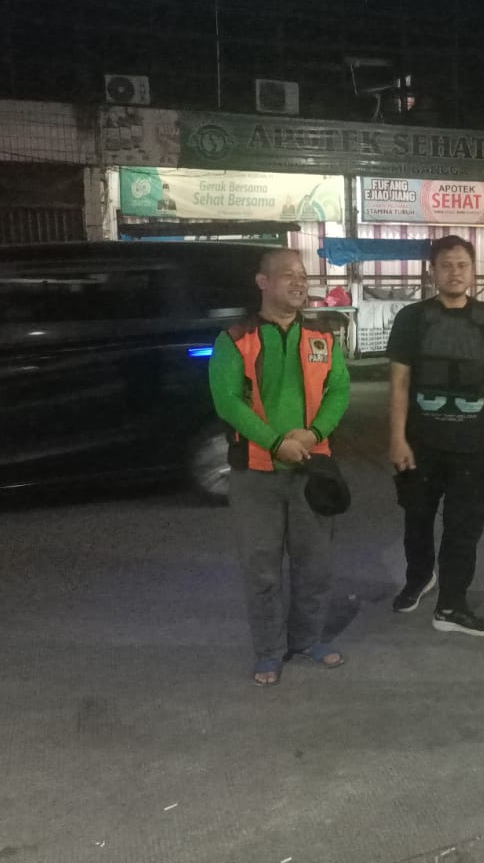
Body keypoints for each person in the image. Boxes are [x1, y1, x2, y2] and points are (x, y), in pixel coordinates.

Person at [209, 248, 352, 687]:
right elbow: (227, 402)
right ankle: (269, 651)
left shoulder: (323, 338)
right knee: (262, 569)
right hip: (255, 474)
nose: (299, 282)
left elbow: (339, 391)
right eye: (288, 274)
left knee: (315, 565)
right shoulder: (235, 340)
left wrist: (312, 434)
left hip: (312, 470)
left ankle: (308, 639)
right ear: (262, 282)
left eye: (302, 275)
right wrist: (276, 444)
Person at [387, 235, 484, 636]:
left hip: (471, 445)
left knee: (464, 527)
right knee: (417, 518)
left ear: (473, 271)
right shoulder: (412, 318)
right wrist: (397, 438)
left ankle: (451, 604)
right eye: (446, 265)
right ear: (432, 272)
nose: (455, 272)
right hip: (421, 443)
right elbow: (399, 383)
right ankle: (419, 578)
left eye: (462, 265)